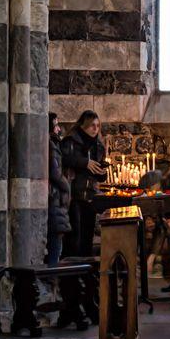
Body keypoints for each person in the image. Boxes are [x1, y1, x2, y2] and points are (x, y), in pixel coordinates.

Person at [60, 110, 108, 257]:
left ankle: (86, 271)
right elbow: (63, 158)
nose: (95, 129)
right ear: (83, 125)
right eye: (92, 125)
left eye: (98, 125)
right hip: (73, 195)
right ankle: (73, 275)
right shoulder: (70, 141)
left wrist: (102, 173)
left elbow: (97, 172)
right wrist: (84, 162)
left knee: (87, 236)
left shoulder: (98, 145)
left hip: (90, 196)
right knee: (74, 237)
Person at [47, 113, 72, 267]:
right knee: (55, 245)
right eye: (55, 125)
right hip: (54, 198)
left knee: (57, 244)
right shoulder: (50, 145)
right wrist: (66, 185)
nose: (59, 129)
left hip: (56, 198)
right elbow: (55, 172)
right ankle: (51, 278)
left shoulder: (54, 144)